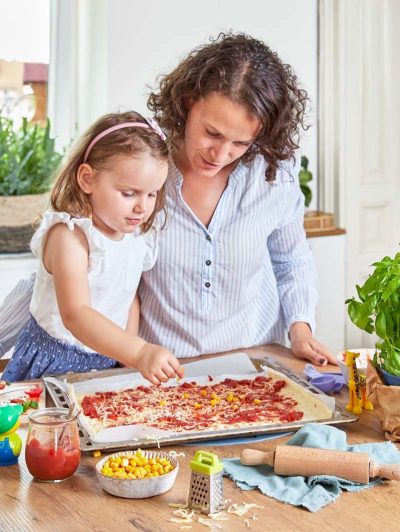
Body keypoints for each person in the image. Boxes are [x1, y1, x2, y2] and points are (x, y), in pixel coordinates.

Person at [0, 32, 336, 368]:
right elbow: (81, 281)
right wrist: (130, 356)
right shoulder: (142, 168)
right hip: (162, 370)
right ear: (189, 101)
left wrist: (301, 328)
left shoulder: (274, 175)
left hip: (252, 360)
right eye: (212, 133)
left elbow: (292, 261)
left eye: (240, 143)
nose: (221, 154)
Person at [1, 111, 184, 384]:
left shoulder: (135, 238)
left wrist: (126, 353)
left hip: (104, 363)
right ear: (87, 179)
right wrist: (139, 351)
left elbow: (127, 295)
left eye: (152, 193)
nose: (142, 207)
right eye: (129, 193)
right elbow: (76, 313)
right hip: (53, 366)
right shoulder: (70, 235)